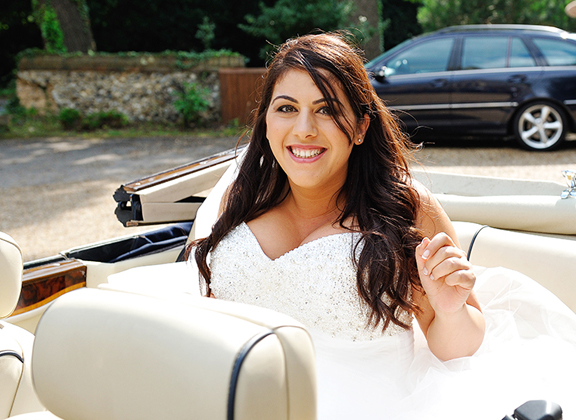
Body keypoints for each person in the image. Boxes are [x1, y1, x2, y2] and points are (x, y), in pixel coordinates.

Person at [189, 32, 576, 419]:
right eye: (286, 108)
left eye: (326, 110)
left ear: (360, 127)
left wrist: (449, 311)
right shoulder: (241, 198)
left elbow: (458, 348)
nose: (304, 129)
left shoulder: (406, 209)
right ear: (267, 120)